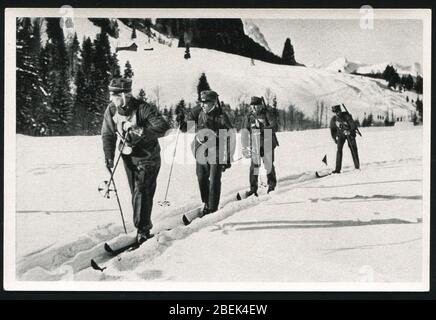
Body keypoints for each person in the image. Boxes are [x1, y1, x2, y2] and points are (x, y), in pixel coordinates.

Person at [101, 77, 170, 244]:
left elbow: (163, 127)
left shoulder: (143, 108)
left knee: (142, 189)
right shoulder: (112, 110)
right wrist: (109, 156)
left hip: (148, 156)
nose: (112, 99)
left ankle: (143, 229)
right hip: (128, 156)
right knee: (136, 193)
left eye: (116, 96)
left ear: (125, 95)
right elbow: (108, 134)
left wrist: (141, 131)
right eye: (111, 95)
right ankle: (142, 225)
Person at [176, 90, 235, 216]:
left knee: (214, 179)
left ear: (213, 103)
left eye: (205, 103)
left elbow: (231, 136)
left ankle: (212, 208)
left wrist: (228, 158)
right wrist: (182, 123)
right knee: (201, 177)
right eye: (201, 102)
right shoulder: (198, 112)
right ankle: (206, 203)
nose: (202, 105)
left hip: (217, 150)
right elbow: (188, 127)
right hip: (201, 149)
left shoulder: (221, 116)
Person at [241, 96, 279, 196]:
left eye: (256, 106)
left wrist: (261, 130)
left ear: (260, 105)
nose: (254, 108)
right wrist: (245, 146)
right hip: (255, 144)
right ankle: (253, 189)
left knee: (268, 165)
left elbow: (275, 126)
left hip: (267, 141)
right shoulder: (249, 116)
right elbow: (245, 131)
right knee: (254, 167)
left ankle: (271, 186)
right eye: (252, 106)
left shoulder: (267, 113)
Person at [329, 104, 360, 173]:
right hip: (341, 135)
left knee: (353, 149)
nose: (337, 113)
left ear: (340, 110)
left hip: (350, 134)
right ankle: (337, 169)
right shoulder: (334, 119)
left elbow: (353, 125)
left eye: (338, 111)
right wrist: (335, 138)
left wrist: (349, 131)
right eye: (336, 112)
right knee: (339, 150)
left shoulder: (347, 116)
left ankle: (357, 166)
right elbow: (333, 130)